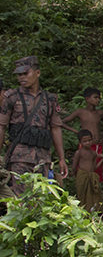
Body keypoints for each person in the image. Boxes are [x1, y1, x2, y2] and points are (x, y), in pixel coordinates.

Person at [0, 56, 68, 194]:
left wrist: (61, 159)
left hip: (43, 158)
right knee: (21, 200)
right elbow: (1, 127)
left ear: (37, 73)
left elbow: (55, 128)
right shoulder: (12, 97)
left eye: (25, 73)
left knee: (39, 200)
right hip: (19, 158)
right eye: (19, 75)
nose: (21, 78)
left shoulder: (50, 99)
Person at [62, 87, 103, 182]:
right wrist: (77, 132)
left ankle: (95, 188)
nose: (98, 100)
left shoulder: (99, 113)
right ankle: (81, 184)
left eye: (99, 98)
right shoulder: (80, 112)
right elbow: (62, 122)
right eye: (95, 97)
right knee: (84, 168)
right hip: (85, 145)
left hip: (97, 144)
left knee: (97, 169)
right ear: (87, 99)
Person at [71, 129, 103, 211]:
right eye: (85, 141)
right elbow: (74, 166)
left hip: (91, 176)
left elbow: (94, 167)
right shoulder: (79, 152)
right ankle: (82, 211)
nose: (88, 143)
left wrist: (101, 160)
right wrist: (75, 174)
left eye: (89, 140)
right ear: (80, 142)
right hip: (82, 175)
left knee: (93, 194)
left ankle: (92, 210)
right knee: (81, 194)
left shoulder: (93, 153)